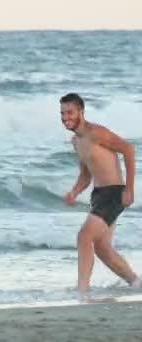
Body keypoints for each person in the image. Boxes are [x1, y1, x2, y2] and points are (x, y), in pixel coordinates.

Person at [61, 93, 141, 297]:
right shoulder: (76, 142)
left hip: (114, 192)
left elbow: (128, 149)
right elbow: (86, 174)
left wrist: (129, 189)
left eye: (69, 112)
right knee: (102, 247)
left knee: (84, 237)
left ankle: (82, 291)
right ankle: (136, 283)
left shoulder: (96, 132)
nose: (65, 117)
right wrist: (74, 192)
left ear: (81, 111)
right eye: (62, 113)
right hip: (98, 195)